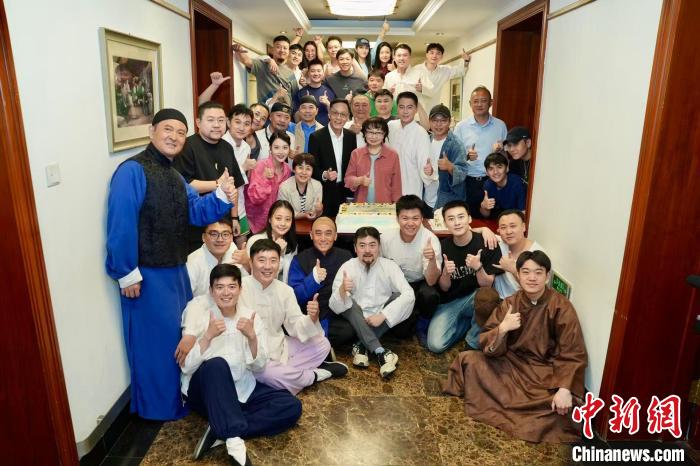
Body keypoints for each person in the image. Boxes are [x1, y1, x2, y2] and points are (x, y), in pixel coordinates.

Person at [106, 108, 238, 420]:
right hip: (147, 275)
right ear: (151, 132)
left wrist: (221, 195)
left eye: (180, 132)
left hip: (176, 271)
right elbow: (121, 223)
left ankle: (177, 398)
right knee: (153, 344)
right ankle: (157, 409)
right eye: (168, 129)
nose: (174, 137)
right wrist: (126, 273)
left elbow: (196, 212)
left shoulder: (175, 175)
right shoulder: (131, 171)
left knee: (177, 336)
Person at [443, 251, 588, 443]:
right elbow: (487, 340)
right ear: (518, 275)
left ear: (547, 276)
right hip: (510, 365)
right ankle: (518, 409)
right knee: (468, 360)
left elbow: (573, 353)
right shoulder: (511, 303)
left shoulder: (561, 307)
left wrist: (564, 389)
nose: (532, 278)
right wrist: (503, 329)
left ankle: (506, 405)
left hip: (542, 374)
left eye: (538, 272)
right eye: (526, 272)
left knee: (567, 408)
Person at [179, 264, 302, 465]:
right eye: (220, 287)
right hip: (206, 392)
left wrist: (252, 337)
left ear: (240, 289)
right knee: (217, 365)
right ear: (211, 290)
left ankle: (222, 429)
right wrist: (208, 336)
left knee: (291, 406)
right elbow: (186, 367)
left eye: (231, 286)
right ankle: (234, 442)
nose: (226, 293)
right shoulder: (200, 313)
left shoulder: (250, 317)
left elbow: (259, 366)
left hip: (242, 388)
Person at [240, 239, 347, 394]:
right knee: (265, 372)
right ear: (251, 262)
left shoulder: (285, 290)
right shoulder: (239, 287)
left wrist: (312, 317)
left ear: (279, 264)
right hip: (250, 354)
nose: (268, 266)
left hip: (278, 346)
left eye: (273, 261)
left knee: (323, 344)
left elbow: (295, 324)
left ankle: (284, 375)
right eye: (261, 260)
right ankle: (312, 376)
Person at [329, 227, 415, 378]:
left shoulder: (389, 266)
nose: (367, 250)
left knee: (401, 296)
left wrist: (383, 315)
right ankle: (380, 352)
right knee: (349, 303)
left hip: (380, 317)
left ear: (379, 247)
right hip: (356, 317)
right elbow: (334, 305)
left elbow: (409, 295)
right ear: (355, 248)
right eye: (362, 245)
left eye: (372, 245)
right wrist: (342, 289)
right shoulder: (348, 267)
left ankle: (361, 346)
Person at [426, 200, 504, 353]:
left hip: (476, 298)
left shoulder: (487, 243)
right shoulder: (442, 246)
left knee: (487, 297)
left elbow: (487, 285)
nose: (457, 223)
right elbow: (444, 287)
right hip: (450, 302)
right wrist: (445, 273)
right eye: (451, 219)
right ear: (445, 223)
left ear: (469, 218)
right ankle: (469, 322)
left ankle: (472, 341)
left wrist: (478, 267)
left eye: (461, 217)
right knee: (435, 345)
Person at [173, 101, 246, 253]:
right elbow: (185, 185)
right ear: (198, 122)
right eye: (211, 120)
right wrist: (217, 184)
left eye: (221, 120)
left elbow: (233, 185)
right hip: (197, 227)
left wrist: (234, 218)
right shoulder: (187, 146)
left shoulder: (227, 147)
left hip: (224, 223)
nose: (217, 125)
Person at [380, 196, 442, 346]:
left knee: (430, 295)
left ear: (422, 219)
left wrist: (432, 259)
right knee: (401, 333)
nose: (410, 223)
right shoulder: (386, 238)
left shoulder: (430, 239)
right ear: (397, 219)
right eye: (405, 218)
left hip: (420, 283)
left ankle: (423, 325)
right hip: (397, 286)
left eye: (415, 218)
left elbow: (431, 281)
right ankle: (411, 314)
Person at [288, 217, 355, 347]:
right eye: (318, 233)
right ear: (311, 235)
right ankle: (318, 342)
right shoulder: (300, 259)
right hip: (309, 313)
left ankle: (316, 341)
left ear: (335, 236)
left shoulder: (346, 256)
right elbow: (295, 296)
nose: (323, 238)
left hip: (336, 315)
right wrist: (313, 279)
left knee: (349, 330)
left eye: (328, 233)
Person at [454, 86, 507, 217]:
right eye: (475, 101)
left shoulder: (500, 125)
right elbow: (454, 158)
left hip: (494, 180)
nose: (479, 104)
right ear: (470, 104)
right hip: (469, 182)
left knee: (494, 217)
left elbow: (507, 156)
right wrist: (467, 156)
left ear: (491, 102)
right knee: (470, 218)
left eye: (483, 101)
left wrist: (500, 151)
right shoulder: (461, 127)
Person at [308, 99, 357, 216]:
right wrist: (325, 174)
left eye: (343, 114)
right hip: (325, 192)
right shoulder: (316, 137)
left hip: (346, 192)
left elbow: (352, 165)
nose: (338, 118)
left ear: (348, 117)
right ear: (329, 114)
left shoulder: (351, 136)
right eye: (335, 113)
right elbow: (312, 167)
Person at [387, 92, 434, 202]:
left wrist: (429, 171)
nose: (405, 111)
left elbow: (425, 163)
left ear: (416, 109)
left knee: (408, 210)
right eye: (401, 107)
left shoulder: (421, 133)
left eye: (409, 107)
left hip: (411, 185)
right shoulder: (390, 126)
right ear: (397, 108)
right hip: (389, 183)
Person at [186, 219, 249, 299]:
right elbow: (183, 299)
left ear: (231, 238)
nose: (220, 239)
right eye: (214, 234)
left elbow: (244, 285)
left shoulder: (232, 249)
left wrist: (247, 263)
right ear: (203, 237)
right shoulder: (192, 263)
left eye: (225, 234)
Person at [344, 117, 402, 203]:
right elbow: (348, 179)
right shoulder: (356, 154)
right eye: (370, 132)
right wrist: (359, 180)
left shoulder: (393, 155)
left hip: (385, 205)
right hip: (361, 205)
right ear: (364, 133)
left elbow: (396, 185)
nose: (374, 136)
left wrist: (397, 205)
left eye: (378, 133)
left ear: (384, 134)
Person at [246, 131, 292, 234]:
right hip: (256, 221)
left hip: (276, 223)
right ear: (270, 148)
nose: (281, 152)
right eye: (276, 147)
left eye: (285, 148)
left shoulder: (287, 169)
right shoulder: (260, 166)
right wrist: (266, 179)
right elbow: (255, 199)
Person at [222, 104, 256, 241]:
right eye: (237, 122)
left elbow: (243, 181)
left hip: (240, 204)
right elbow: (223, 179)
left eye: (247, 124)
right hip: (223, 206)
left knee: (243, 243)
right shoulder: (221, 145)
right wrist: (243, 168)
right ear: (228, 122)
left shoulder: (246, 147)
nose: (242, 128)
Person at [493, 210, 544, 299]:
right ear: (499, 230)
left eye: (513, 226)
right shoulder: (499, 244)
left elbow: (536, 294)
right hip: (498, 298)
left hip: (522, 302)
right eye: (503, 227)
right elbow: (469, 231)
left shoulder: (537, 254)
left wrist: (513, 269)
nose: (508, 232)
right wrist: (484, 230)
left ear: (523, 227)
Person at [232, 37, 299, 105]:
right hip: (266, 110)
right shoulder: (263, 65)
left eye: (285, 48)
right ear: (272, 49)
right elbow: (246, 61)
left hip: (286, 110)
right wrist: (238, 49)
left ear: (288, 51)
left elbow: (296, 95)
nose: (282, 50)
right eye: (278, 47)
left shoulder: (291, 73)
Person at [247, 200, 298, 284]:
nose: (283, 223)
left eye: (288, 219)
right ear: (270, 219)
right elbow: (258, 276)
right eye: (278, 218)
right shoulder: (255, 240)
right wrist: (277, 251)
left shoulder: (292, 243)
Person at [428, 104, 468, 209]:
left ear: (449, 122)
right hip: (427, 198)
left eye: (443, 120)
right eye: (435, 120)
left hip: (447, 202)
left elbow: (463, 173)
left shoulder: (456, 144)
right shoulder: (426, 140)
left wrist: (450, 166)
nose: (438, 124)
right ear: (429, 122)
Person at [414, 43, 471, 112]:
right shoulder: (416, 69)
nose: (434, 56)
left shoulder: (444, 70)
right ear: (427, 54)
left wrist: (466, 60)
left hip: (433, 110)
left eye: (438, 53)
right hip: (416, 110)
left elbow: (460, 71)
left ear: (441, 57)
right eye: (432, 53)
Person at [480, 152, 526, 218]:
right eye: (491, 169)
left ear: (507, 169)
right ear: (487, 172)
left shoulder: (516, 183)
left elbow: (523, 212)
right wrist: (484, 206)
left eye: (499, 167)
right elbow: (486, 215)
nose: (495, 172)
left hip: (516, 218)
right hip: (498, 219)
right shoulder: (488, 185)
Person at [278, 153, 323, 220]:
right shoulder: (284, 187)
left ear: (312, 171)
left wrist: (318, 210)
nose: (304, 172)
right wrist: (304, 215)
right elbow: (284, 211)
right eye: (300, 168)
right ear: (294, 169)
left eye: (308, 169)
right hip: (289, 222)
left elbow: (315, 213)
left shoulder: (317, 185)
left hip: (309, 223)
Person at [292, 59, 335, 125]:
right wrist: (305, 105)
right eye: (312, 71)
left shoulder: (329, 92)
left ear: (323, 73)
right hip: (306, 130)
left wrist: (328, 104)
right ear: (308, 73)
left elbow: (335, 117)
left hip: (326, 129)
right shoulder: (300, 93)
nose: (316, 74)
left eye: (319, 71)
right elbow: (296, 119)